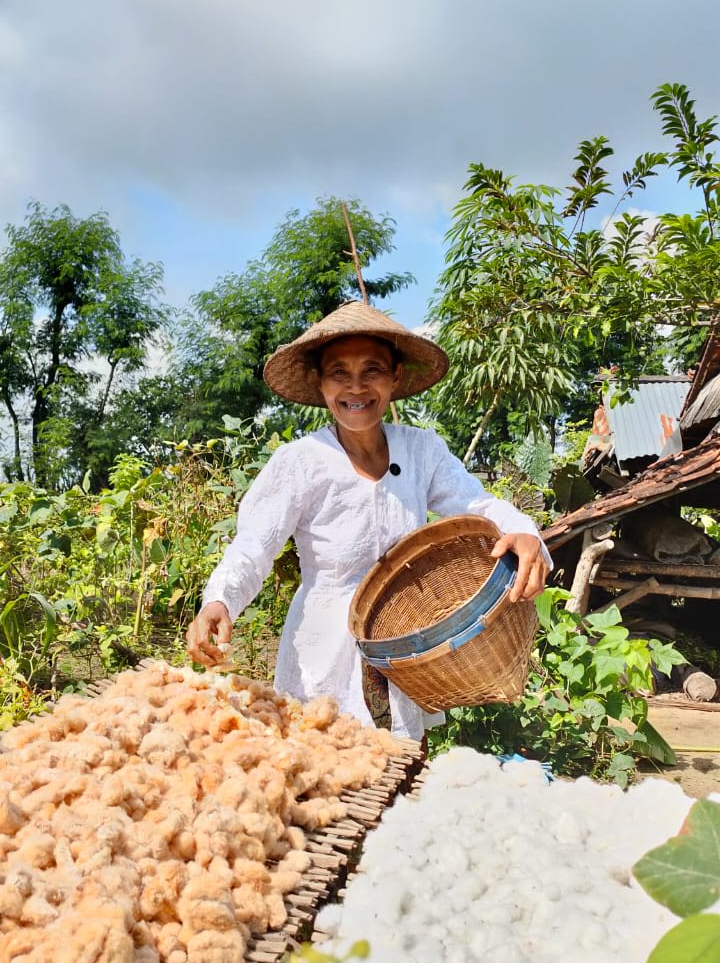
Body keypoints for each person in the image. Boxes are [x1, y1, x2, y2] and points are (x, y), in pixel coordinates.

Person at [187, 302, 550, 741]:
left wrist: (525, 533)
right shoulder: (301, 463)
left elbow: (478, 504)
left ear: (395, 377)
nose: (355, 386)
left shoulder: (421, 451)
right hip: (323, 651)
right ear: (320, 383)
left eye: (372, 370)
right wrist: (219, 602)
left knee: (396, 771)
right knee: (322, 774)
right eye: (338, 372)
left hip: (404, 648)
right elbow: (253, 546)